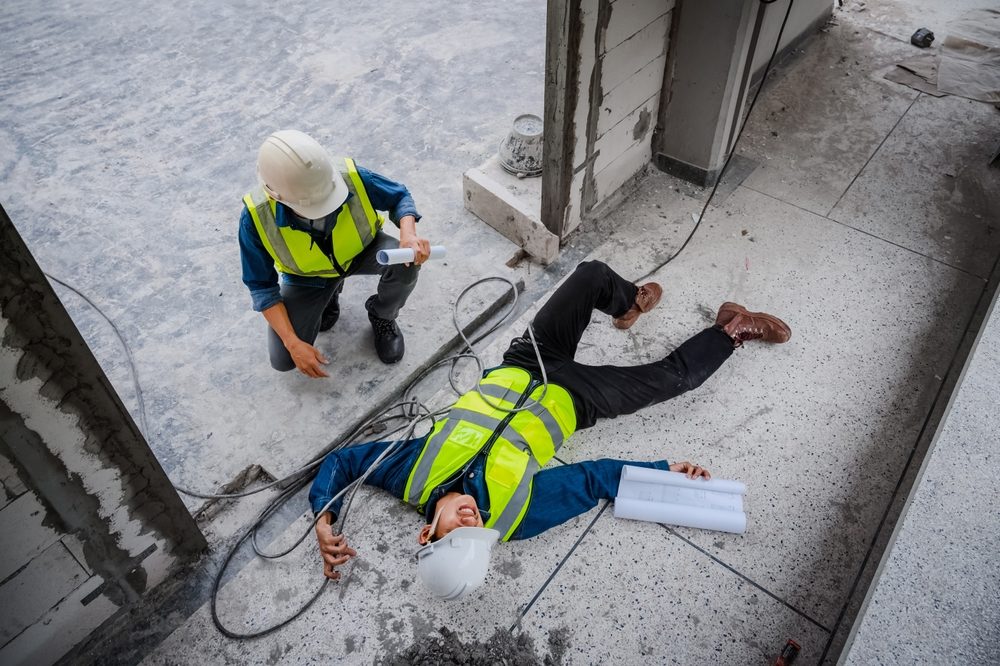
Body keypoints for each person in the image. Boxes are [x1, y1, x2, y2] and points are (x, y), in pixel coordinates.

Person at [309, 260, 791, 598]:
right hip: (578, 398)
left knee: (592, 274)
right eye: (477, 538)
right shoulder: (516, 519)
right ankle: (732, 328)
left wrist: (322, 519)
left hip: (528, 359)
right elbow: (594, 480)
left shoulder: (408, 474)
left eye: (457, 532)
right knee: (674, 379)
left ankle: (629, 302)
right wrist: (663, 470)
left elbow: (344, 462)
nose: (473, 524)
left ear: (426, 535)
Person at [238, 129, 431, 374]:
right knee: (284, 359)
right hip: (309, 279)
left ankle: (383, 316)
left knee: (407, 263)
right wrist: (292, 342)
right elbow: (261, 286)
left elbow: (398, 196)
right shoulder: (256, 218)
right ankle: (329, 294)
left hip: (365, 251)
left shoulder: (349, 176)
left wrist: (408, 234)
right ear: (275, 194)